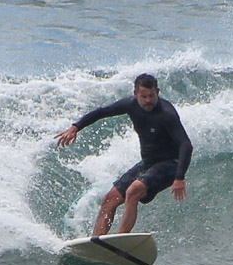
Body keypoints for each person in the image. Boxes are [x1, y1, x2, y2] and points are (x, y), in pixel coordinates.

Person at [56, 73, 192, 235]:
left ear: (158, 91)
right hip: (148, 163)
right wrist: (75, 127)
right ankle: (97, 242)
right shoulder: (130, 104)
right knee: (109, 199)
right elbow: (102, 112)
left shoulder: (166, 113)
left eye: (152, 96)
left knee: (132, 191)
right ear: (135, 94)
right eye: (144, 96)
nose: (148, 100)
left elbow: (186, 144)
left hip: (170, 164)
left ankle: (120, 240)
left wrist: (179, 177)